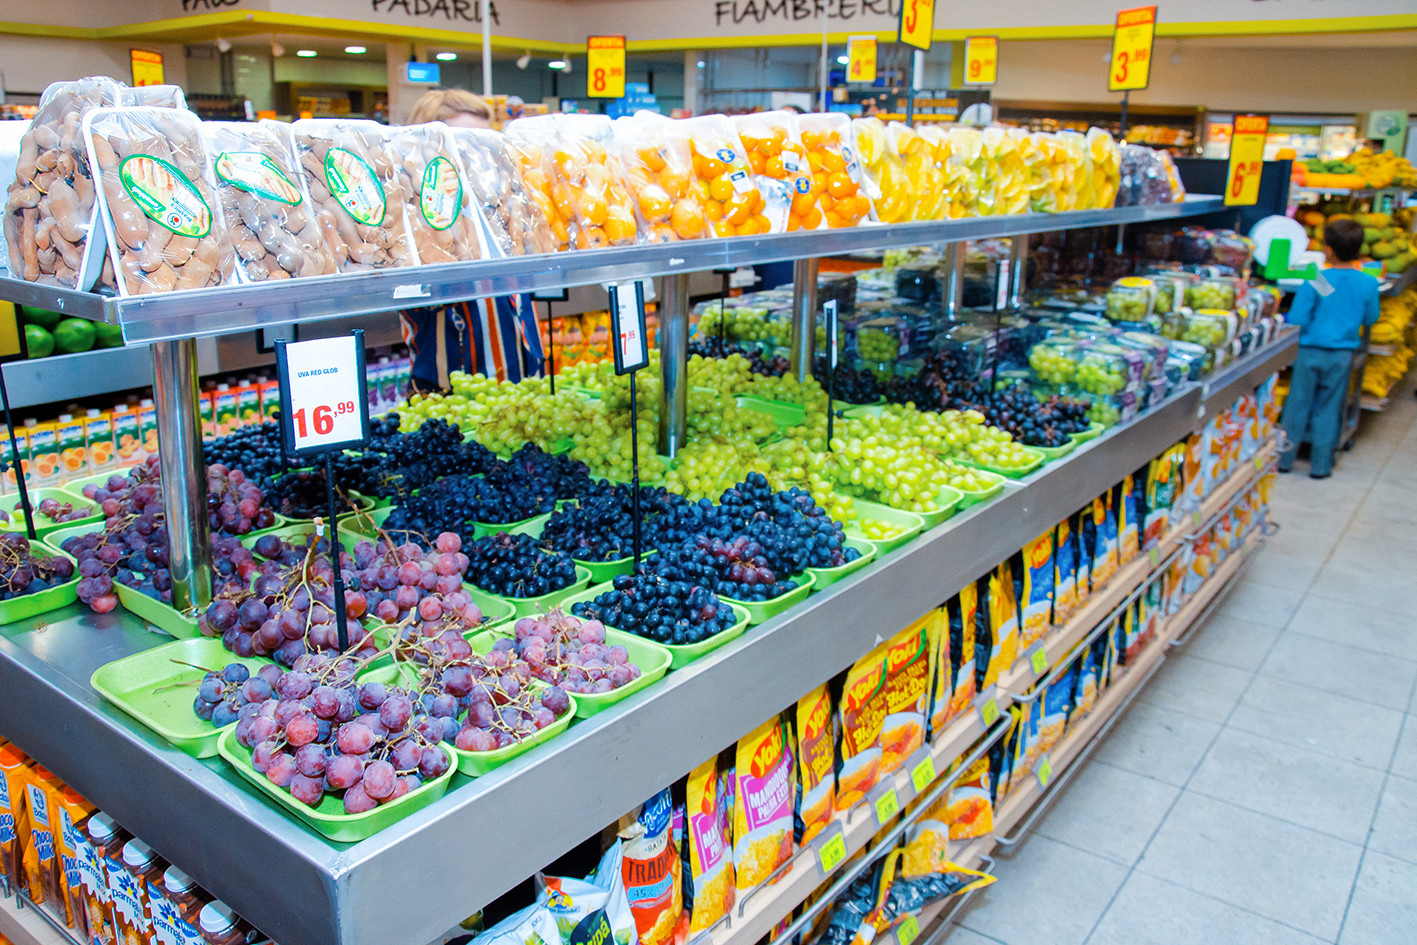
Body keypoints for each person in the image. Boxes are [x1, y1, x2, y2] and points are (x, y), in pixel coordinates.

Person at [398, 89, 544, 393]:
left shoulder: (502, 207)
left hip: (524, 391)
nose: (477, 155)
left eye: (485, 142)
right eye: (463, 143)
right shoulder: (413, 217)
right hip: (452, 401)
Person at [1276, 218, 1380, 479]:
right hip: (1341, 355)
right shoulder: (1367, 283)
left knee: (1297, 405)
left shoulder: (1320, 279)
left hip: (1310, 352)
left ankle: (1285, 460)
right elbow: (1370, 318)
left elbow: (1298, 317)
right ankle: (1321, 465)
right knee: (1329, 408)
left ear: (1329, 250)